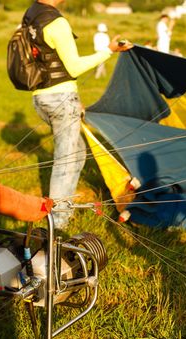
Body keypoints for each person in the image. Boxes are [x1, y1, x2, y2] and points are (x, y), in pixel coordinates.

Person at [23, 0, 133, 229]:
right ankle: (57, 223)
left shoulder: (31, 14)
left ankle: (64, 208)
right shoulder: (57, 22)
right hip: (59, 99)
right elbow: (73, 67)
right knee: (66, 161)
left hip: (41, 98)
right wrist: (109, 51)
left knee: (78, 153)